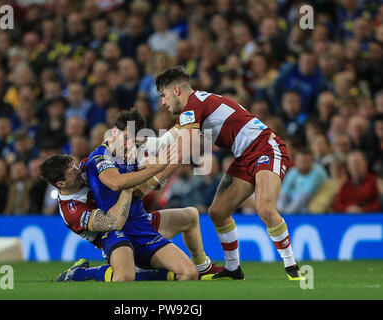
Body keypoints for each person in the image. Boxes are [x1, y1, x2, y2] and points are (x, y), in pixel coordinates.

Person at [149, 66, 302, 280]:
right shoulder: (193, 109)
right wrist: (139, 146)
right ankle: (233, 269)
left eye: (163, 95)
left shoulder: (193, 106)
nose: (162, 103)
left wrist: (154, 179)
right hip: (244, 156)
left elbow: (182, 152)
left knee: (265, 208)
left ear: (176, 90)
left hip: (266, 148)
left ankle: (291, 266)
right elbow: (164, 142)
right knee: (218, 212)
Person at [39, 152, 220, 281]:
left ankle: (203, 267)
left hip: (136, 222)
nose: (79, 170)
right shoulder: (72, 211)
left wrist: (151, 173)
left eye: (75, 165)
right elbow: (113, 222)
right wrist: (127, 187)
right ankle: (78, 274)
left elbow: (127, 167)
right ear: (60, 184)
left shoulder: (87, 167)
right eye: (73, 172)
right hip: (113, 235)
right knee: (124, 277)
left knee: (190, 215)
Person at [84, 109, 198, 281]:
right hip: (116, 230)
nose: (128, 144)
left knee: (189, 273)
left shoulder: (133, 155)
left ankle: (147, 275)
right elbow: (116, 183)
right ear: (114, 131)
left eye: (132, 140)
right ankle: (80, 273)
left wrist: (155, 176)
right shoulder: (99, 157)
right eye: (125, 138)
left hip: (142, 226)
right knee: (124, 278)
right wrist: (156, 168)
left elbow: (169, 152)